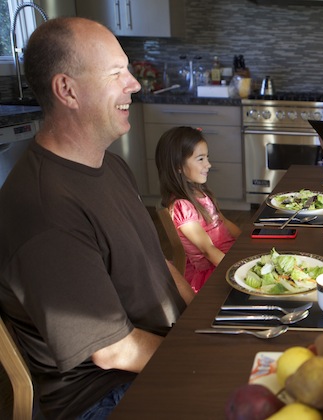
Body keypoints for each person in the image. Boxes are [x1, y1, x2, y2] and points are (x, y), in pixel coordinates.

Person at [0, 17, 193, 419]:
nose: (135, 83)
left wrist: (204, 315)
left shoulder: (110, 165)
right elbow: (112, 350)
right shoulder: (44, 208)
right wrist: (198, 358)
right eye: (116, 73)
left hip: (159, 352)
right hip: (105, 396)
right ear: (67, 90)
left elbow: (157, 263)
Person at [155, 126, 241, 292]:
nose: (208, 164)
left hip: (226, 257)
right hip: (216, 270)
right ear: (178, 165)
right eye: (200, 159)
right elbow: (207, 250)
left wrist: (245, 240)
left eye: (207, 157)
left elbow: (224, 222)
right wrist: (237, 272)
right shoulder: (182, 207)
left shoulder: (199, 192)